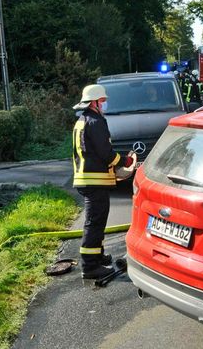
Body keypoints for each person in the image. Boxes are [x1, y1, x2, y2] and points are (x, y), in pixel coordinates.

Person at [72, 83, 134, 279]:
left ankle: (97, 257)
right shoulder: (96, 121)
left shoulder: (82, 120)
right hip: (94, 181)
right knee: (95, 222)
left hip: (87, 179)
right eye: (103, 101)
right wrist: (125, 161)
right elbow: (105, 153)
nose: (105, 104)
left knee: (97, 221)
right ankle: (90, 266)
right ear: (95, 102)